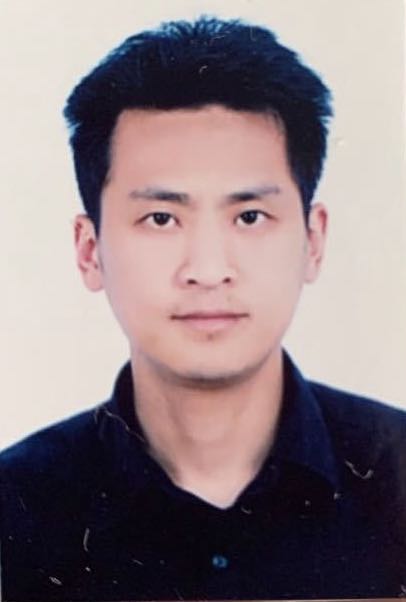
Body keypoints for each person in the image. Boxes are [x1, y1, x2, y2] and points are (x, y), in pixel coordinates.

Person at [1, 15, 405, 602]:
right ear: (90, 251)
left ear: (313, 241)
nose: (209, 269)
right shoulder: (15, 508)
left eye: (250, 217)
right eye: (161, 218)